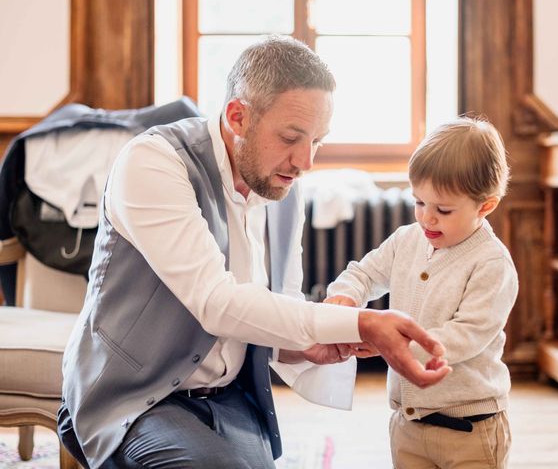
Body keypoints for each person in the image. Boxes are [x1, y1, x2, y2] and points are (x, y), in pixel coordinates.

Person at [57, 36, 451, 469]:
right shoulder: (154, 162)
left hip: (230, 397)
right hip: (133, 396)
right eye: (290, 137)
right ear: (238, 116)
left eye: (317, 141)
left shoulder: (283, 186)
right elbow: (216, 302)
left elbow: (278, 304)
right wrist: (363, 321)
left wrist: (305, 345)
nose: (305, 162)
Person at [326, 117, 518, 469]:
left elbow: (467, 335)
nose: (427, 219)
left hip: (471, 431)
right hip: (408, 425)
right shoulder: (406, 240)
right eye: (419, 203)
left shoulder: (492, 263)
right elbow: (365, 272)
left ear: (485, 206)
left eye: (443, 210)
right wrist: (346, 296)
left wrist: (395, 344)